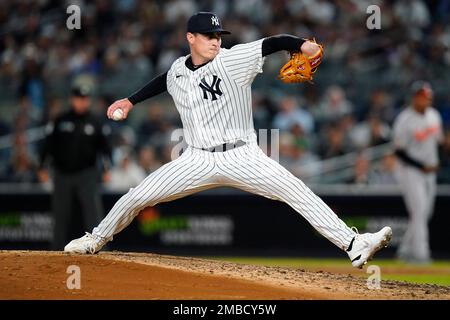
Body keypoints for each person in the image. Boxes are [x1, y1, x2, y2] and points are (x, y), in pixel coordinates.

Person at [64, 12, 392, 268]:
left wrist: (301, 45)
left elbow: (272, 42)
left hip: (242, 155)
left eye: (218, 35)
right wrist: (130, 101)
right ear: (190, 38)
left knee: (296, 191)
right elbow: (163, 80)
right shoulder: (178, 69)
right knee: (138, 196)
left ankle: (354, 245)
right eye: (209, 36)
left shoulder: (232, 60)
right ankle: (95, 239)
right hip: (195, 159)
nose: (215, 41)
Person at [38, 84, 112, 250]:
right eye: (79, 99)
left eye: (84, 99)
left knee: (93, 214)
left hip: (87, 174)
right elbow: (48, 145)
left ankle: (100, 249)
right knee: (60, 215)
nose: (81, 102)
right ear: (72, 100)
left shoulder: (95, 122)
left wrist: (107, 169)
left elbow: (105, 148)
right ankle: (56, 250)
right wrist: (42, 167)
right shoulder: (60, 120)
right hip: (62, 174)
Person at [393, 81, 443, 264]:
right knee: (420, 211)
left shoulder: (434, 116)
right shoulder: (404, 119)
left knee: (424, 213)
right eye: (422, 96)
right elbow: (398, 151)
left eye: (428, 97)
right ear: (415, 97)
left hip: (430, 171)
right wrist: (421, 165)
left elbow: (439, 142)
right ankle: (421, 255)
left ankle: (405, 250)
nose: (426, 100)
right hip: (411, 171)